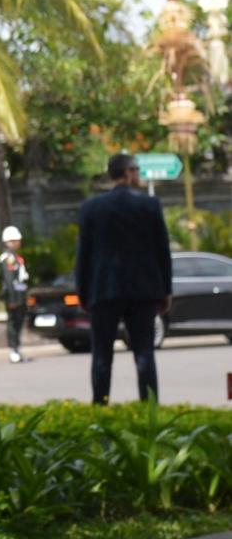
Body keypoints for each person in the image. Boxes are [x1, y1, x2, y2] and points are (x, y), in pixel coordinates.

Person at [75, 151, 172, 404]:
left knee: (102, 356)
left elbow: (83, 255)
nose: (139, 175)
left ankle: (100, 406)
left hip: (104, 290)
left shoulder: (91, 208)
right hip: (144, 291)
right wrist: (166, 290)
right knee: (144, 354)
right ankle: (150, 409)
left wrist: (83, 293)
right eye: (137, 170)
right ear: (127, 173)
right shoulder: (150, 205)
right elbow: (163, 250)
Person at [0, 225, 30, 363]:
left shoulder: (16, 257)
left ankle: (17, 347)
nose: (18, 242)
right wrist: (13, 300)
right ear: (9, 241)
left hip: (20, 295)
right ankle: (13, 349)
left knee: (19, 322)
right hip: (13, 297)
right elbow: (10, 280)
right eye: (16, 240)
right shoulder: (8, 258)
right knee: (13, 323)